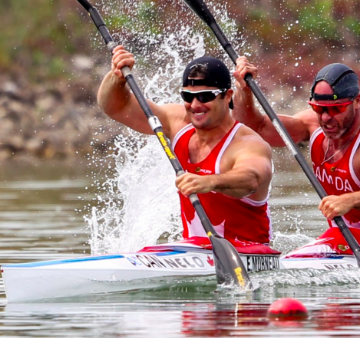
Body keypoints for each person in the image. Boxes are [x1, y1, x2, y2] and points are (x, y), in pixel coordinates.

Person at [97, 46, 275, 252]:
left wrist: (210, 181)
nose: (195, 104)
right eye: (188, 96)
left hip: (245, 252)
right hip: (195, 251)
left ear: (227, 96)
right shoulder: (178, 123)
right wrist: (116, 76)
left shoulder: (247, 143)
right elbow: (115, 107)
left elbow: (251, 179)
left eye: (206, 96)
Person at [233, 58, 360, 257]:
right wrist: (244, 90)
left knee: (292, 261)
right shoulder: (312, 125)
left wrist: (349, 200)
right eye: (319, 108)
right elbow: (255, 129)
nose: (325, 118)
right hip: (341, 241)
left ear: (357, 102)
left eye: (336, 109)